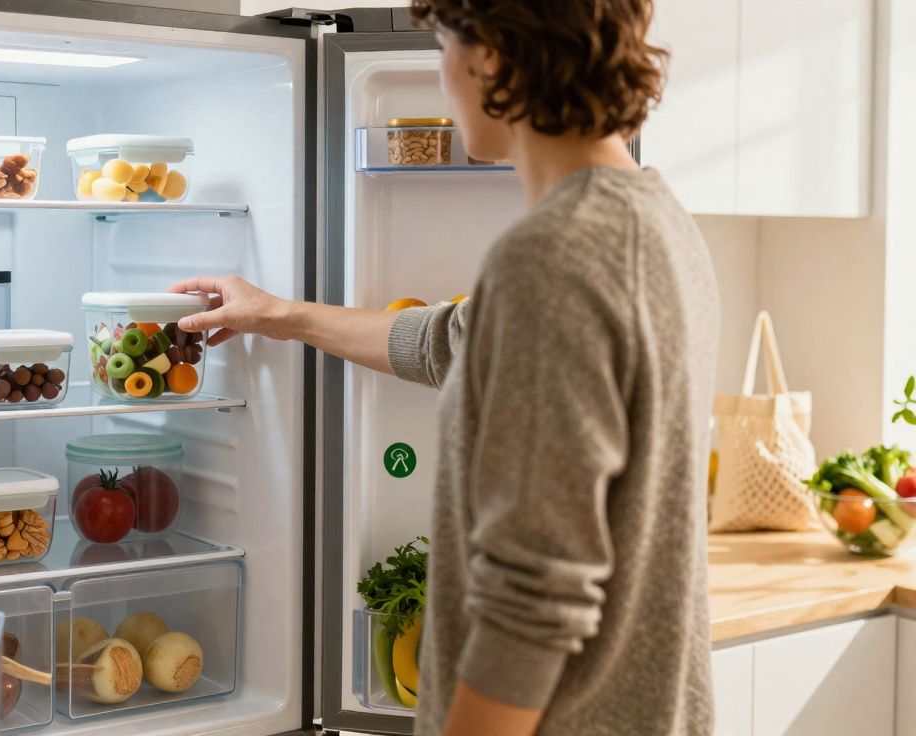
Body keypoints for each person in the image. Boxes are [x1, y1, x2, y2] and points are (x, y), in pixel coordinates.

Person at [170, 1, 719, 733]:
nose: (442, 74)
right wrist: (274, 313)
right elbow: (451, 342)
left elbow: (536, 592)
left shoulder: (554, 257)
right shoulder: (654, 221)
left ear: (488, 56)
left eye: (443, 47)